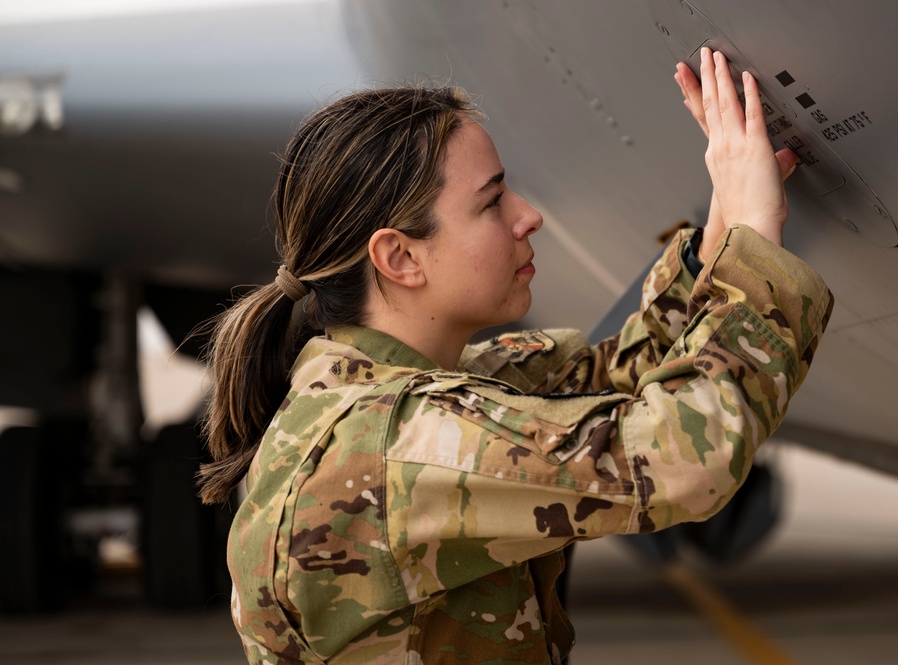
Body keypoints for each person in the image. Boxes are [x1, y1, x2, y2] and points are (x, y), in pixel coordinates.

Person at [198, 47, 833, 664]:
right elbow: (684, 459)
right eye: (491, 201)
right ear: (400, 258)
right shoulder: (399, 441)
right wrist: (756, 249)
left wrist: (719, 242)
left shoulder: (373, 392)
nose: (527, 217)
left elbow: (611, 380)